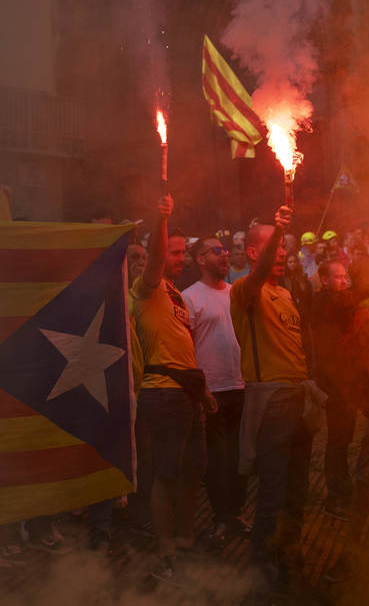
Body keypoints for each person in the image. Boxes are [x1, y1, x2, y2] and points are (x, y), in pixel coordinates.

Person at [230, 206, 320, 589]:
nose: (282, 252)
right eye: (273, 246)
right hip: (272, 403)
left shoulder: (285, 292)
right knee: (273, 494)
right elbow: (258, 277)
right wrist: (280, 232)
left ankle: (291, 560)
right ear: (253, 252)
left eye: (284, 246)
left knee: (299, 492)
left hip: (299, 399)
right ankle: (263, 576)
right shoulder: (246, 291)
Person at [130, 195, 216, 584]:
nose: (178, 258)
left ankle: (185, 537)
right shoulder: (145, 288)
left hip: (187, 393)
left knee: (193, 469)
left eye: (183, 252)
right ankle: (165, 548)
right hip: (161, 392)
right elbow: (154, 259)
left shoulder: (178, 295)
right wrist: (161, 220)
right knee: (165, 474)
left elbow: (183, 347)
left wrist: (203, 391)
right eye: (174, 252)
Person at [181, 236, 250, 548]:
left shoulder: (236, 293)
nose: (224, 255)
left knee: (239, 458)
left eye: (225, 250)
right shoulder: (190, 298)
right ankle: (221, 518)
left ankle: (235, 515)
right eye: (216, 251)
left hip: (240, 385)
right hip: (213, 391)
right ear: (199, 259)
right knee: (219, 461)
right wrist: (200, 389)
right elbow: (185, 348)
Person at [310, 260, 369, 521]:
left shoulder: (339, 301)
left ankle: (343, 492)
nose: (343, 281)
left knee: (344, 441)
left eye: (345, 277)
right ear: (324, 280)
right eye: (338, 277)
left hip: (346, 382)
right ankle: (336, 498)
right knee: (337, 443)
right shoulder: (323, 302)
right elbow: (349, 302)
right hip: (334, 384)